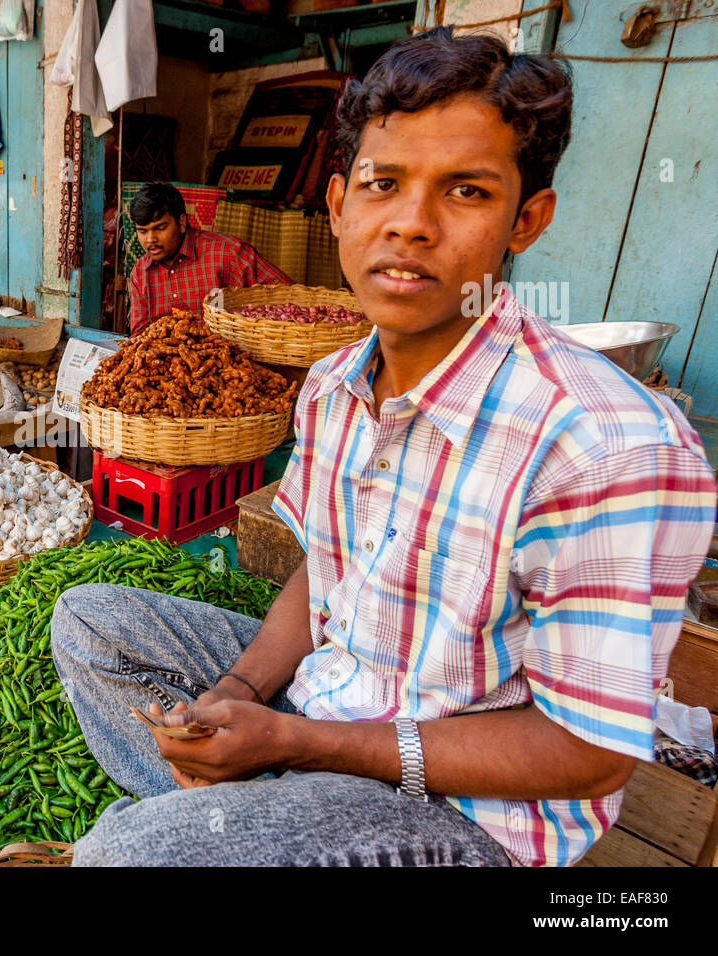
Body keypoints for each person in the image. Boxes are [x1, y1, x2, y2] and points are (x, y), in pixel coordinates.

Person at [52, 28, 718, 867]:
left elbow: (589, 751)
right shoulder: (332, 387)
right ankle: (244, 815)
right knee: (89, 620)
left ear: (528, 220)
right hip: (331, 705)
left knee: (126, 855)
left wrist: (300, 743)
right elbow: (326, 569)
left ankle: (223, 824)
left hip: (466, 808)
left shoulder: (608, 445)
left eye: (467, 191)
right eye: (383, 183)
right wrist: (239, 691)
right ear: (338, 205)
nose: (410, 223)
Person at [126, 182, 289, 334]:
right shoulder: (140, 274)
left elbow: (289, 298)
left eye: (160, 228)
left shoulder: (229, 253)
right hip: (167, 362)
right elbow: (139, 336)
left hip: (232, 358)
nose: (150, 240)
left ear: (182, 222)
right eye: (142, 231)